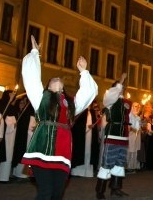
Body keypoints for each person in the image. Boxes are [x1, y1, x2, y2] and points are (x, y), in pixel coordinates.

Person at [22, 35, 98, 200]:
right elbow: (31, 76)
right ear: (47, 86)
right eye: (52, 81)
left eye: (60, 81)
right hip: (41, 149)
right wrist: (35, 52)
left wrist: (84, 71)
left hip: (62, 152)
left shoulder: (71, 103)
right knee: (45, 192)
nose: (57, 79)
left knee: (57, 194)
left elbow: (89, 93)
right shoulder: (40, 97)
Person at [96, 73, 129, 199]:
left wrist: (138, 122)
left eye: (123, 87)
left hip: (123, 138)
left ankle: (115, 189)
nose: (122, 88)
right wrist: (120, 80)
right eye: (120, 87)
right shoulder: (109, 99)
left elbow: (129, 117)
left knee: (120, 164)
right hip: (112, 136)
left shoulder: (125, 104)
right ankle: (100, 191)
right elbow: (112, 93)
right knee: (107, 163)